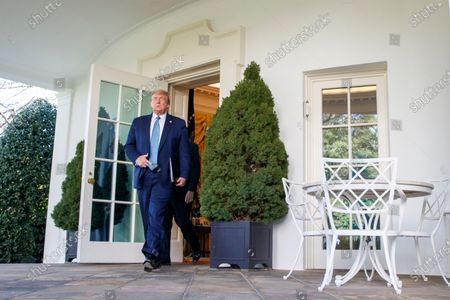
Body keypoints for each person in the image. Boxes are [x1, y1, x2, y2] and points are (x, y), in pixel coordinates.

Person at [124, 89, 190, 272]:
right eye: (155, 99)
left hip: (164, 178)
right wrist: (136, 157)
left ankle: (150, 255)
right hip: (144, 176)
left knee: (156, 213)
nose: (158, 102)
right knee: (148, 217)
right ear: (151, 103)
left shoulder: (177, 124)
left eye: (162, 99)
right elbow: (128, 146)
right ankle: (159, 255)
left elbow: (185, 152)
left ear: (168, 104)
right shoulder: (139, 123)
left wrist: (183, 174)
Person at [160, 141, 201, 265]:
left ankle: (196, 249)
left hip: (183, 190)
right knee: (164, 223)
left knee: (182, 221)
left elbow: (195, 169)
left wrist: (191, 189)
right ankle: (164, 258)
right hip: (164, 188)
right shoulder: (163, 144)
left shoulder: (191, 147)